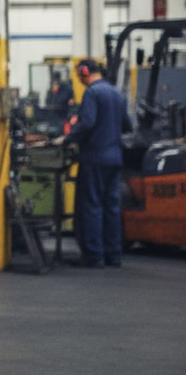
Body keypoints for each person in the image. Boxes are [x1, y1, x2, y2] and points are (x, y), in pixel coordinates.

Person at [63, 58, 133, 267]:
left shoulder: (92, 93)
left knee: (92, 205)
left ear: (84, 72)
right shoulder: (116, 93)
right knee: (111, 206)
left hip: (95, 158)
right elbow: (128, 125)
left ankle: (94, 256)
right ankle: (114, 255)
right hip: (115, 158)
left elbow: (88, 123)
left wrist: (68, 140)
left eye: (79, 75)